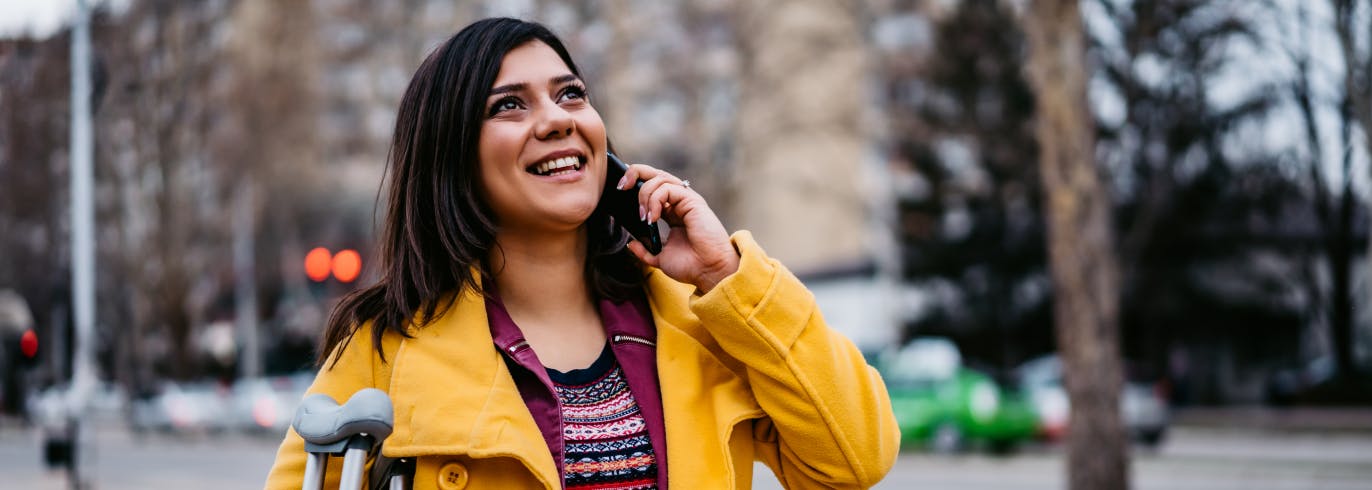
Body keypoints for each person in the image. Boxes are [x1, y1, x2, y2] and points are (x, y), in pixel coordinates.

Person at [265, 17, 898, 490]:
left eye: (570, 95)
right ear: (451, 159)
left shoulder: (705, 318)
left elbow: (856, 456)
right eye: (508, 105)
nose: (557, 120)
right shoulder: (388, 346)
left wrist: (726, 275)